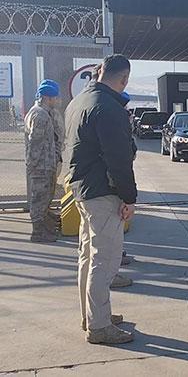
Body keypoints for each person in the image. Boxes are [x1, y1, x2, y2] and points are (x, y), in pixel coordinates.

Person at [65, 54, 137, 344]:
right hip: (103, 192)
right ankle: (99, 326)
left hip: (82, 190)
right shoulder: (108, 107)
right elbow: (119, 159)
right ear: (124, 79)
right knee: (104, 260)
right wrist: (129, 197)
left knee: (87, 256)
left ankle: (92, 315)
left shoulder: (79, 102)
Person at [24, 79, 62, 242]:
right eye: (55, 97)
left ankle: (44, 228)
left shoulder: (43, 113)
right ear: (48, 97)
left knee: (44, 198)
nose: (57, 100)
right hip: (40, 167)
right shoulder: (40, 115)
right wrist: (33, 166)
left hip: (45, 165)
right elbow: (35, 143)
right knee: (39, 199)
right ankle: (38, 233)